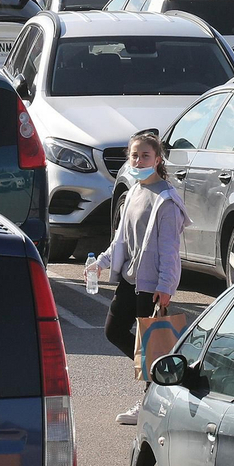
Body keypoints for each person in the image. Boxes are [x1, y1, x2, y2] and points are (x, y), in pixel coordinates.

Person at [88, 130, 190, 425]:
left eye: (145, 155)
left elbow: (170, 249)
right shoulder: (133, 191)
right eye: (134, 155)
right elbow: (121, 240)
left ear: (158, 159)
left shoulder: (166, 200)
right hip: (130, 280)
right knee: (114, 330)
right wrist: (101, 263)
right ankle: (158, 384)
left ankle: (149, 398)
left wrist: (165, 286)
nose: (139, 159)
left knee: (153, 343)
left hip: (152, 284)